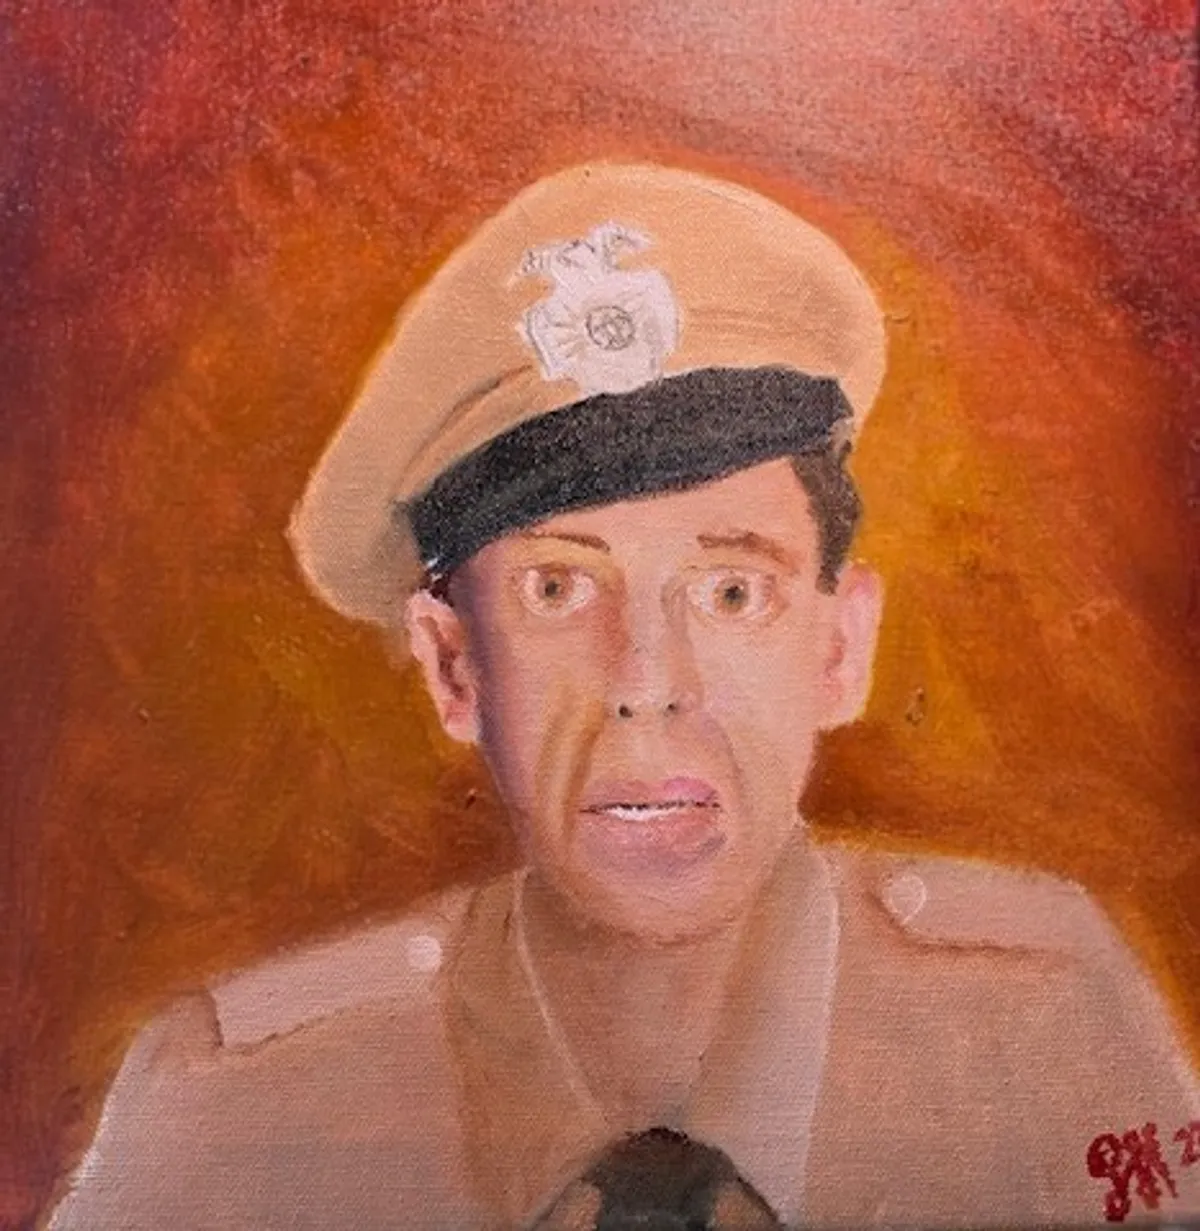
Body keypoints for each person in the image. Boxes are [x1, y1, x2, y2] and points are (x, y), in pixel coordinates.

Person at [50, 163, 1199, 1230]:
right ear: (452, 664)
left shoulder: (1050, 1029)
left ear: (841, 646)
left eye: (733, 589)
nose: (648, 683)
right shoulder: (230, 1108)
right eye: (557, 588)